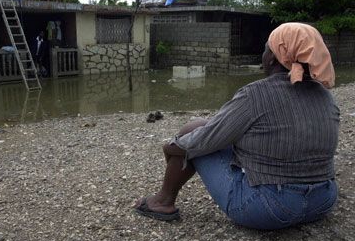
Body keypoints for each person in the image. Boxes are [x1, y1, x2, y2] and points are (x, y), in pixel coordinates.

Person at [134, 23, 340, 230]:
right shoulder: (325, 96)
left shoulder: (256, 94)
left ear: (273, 57)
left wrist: (172, 146)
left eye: (266, 49)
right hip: (322, 201)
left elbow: (205, 138)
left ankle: (162, 202)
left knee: (193, 129)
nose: (263, 55)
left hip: (271, 208)